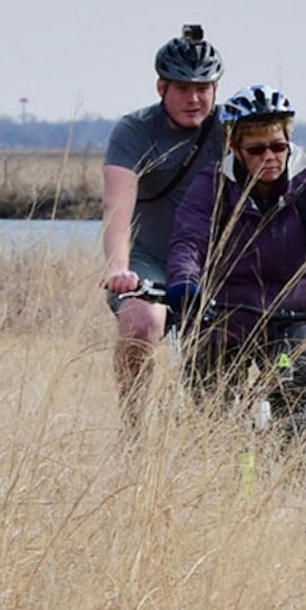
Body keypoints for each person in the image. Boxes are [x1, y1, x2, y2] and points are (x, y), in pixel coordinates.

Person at [165, 86, 306, 442]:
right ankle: (215, 466)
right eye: (256, 149)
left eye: (278, 147)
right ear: (235, 149)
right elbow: (188, 241)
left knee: (300, 414)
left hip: (288, 320)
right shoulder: (213, 186)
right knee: (211, 421)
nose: (270, 156)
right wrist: (185, 285)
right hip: (224, 318)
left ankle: (304, 470)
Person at [100, 24, 228, 417]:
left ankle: (216, 427)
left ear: (215, 88)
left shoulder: (231, 128)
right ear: (161, 88)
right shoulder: (135, 130)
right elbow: (117, 209)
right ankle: (134, 427)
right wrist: (119, 269)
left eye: (203, 88)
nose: (194, 98)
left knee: (227, 343)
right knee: (142, 322)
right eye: (183, 88)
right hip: (148, 258)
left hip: (211, 260)